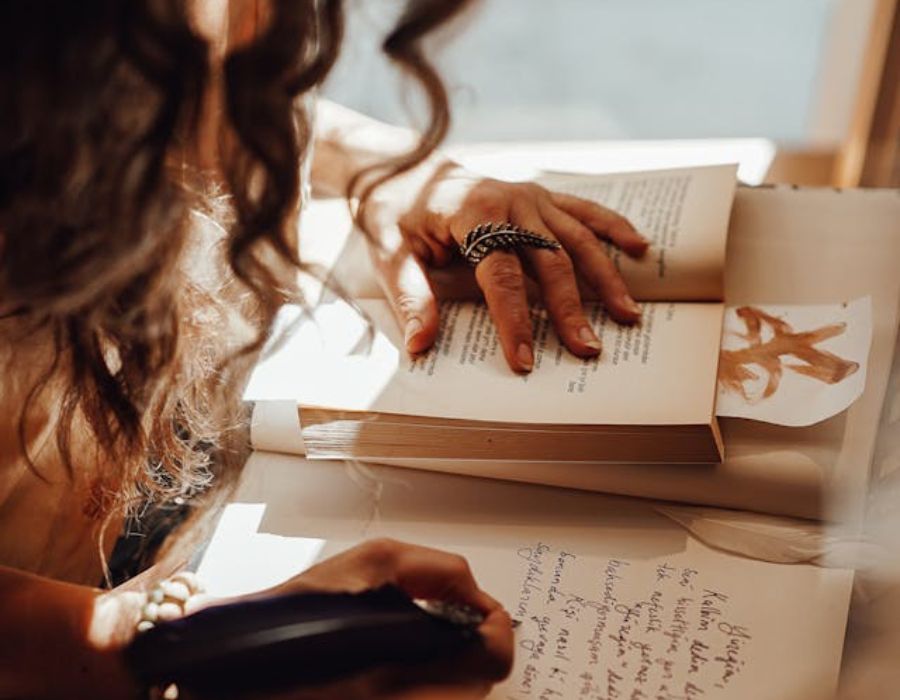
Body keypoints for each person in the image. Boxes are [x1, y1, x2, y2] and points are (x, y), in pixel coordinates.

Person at [0, 1, 648, 697]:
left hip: (184, 485)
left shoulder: (219, 40)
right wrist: (159, 645)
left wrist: (395, 172)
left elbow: (266, 106)